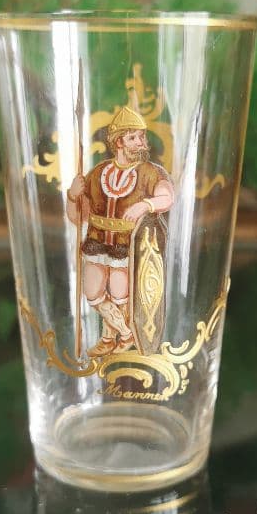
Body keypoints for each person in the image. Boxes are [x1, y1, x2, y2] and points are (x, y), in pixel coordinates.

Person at [66, 106, 175, 356]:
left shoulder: (150, 173)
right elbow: (77, 217)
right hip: (96, 241)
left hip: (127, 245)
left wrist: (145, 205)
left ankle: (109, 338)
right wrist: (73, 195)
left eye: (142, 136)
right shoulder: (98, 173)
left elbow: (167, 198)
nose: (141, 142)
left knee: (118, 293)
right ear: (119, 142)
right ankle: (125, 333)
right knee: (92, 293)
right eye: (133, 137)